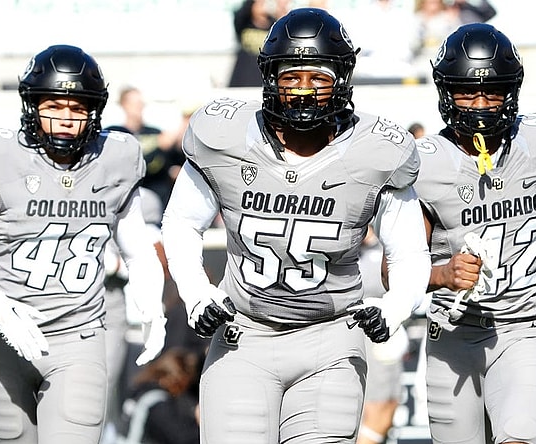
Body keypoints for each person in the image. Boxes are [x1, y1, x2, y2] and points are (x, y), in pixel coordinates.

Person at [161, 8, 431, 444]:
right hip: (243, 335)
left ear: (341, 80)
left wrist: (396, 306)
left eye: (317, 78)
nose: (303, 90)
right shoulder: (225, 134)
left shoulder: (377, 150)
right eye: (291, 77)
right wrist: (196, 293)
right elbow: (179, 224)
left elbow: (409, 250)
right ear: (270, 78)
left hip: (331, 339)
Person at [0, 44, 167, 444]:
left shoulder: (114, 158)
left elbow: (138, 250)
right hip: (6, 339)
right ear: (32, 107)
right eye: (55, 106)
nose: (66, 119)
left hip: (78, 337)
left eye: (77, 108)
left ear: (95, 111)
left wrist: (153, 306)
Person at [413, 23, 536, 444]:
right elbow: (395, 270)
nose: (480, 104)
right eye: (467, 91)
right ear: (446, 91)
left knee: (521, 438)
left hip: (527, 325)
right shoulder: (424, 165)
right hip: (454, 333)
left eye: (492, 91)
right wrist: (443, 275)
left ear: (511, 91)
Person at [356, 231, 409, 444]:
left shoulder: (386, 242)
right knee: (374, 408)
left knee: (389, 405)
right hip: (362, 335)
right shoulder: (349, 248)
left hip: (386, 335)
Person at [227, 0, 288, 88]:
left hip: (264, 79)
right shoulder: (244, 24)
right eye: (259, 3)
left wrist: (280, 11)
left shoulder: (274, 26)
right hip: (242, 78)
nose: (262, 6)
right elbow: (238, 14)